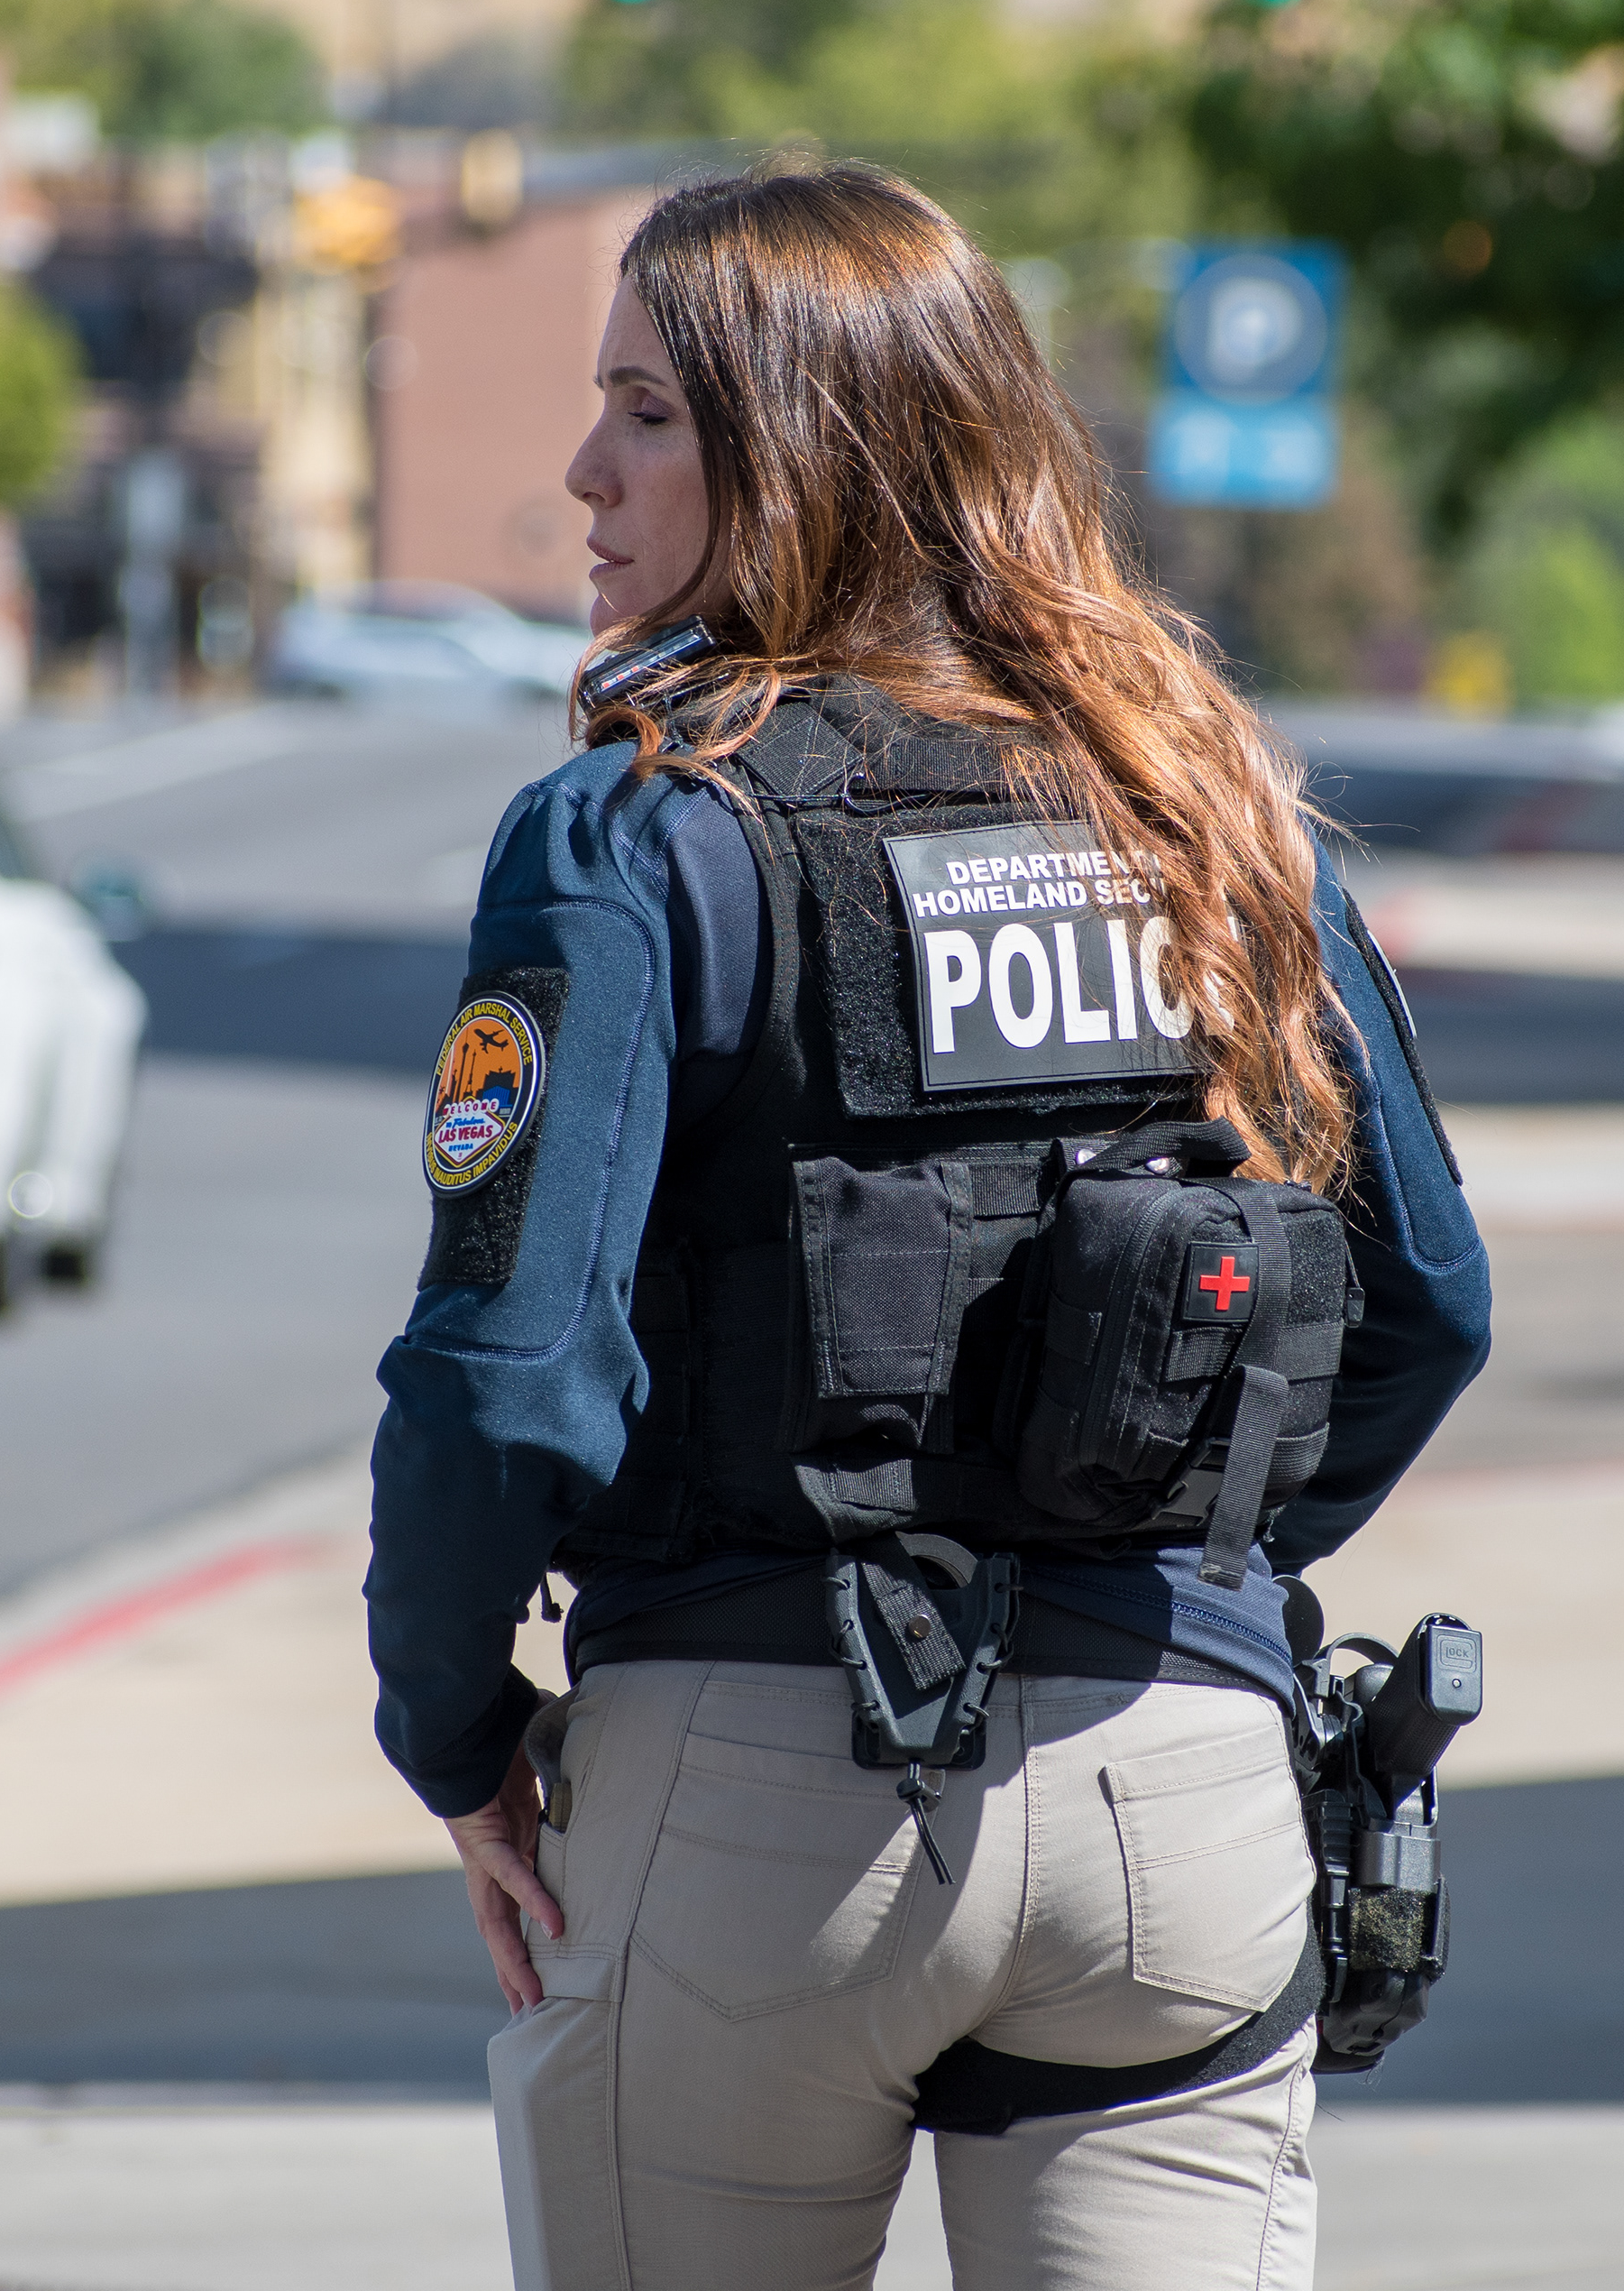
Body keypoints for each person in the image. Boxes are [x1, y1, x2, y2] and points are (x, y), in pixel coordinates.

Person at [365, 164, 1491, 2291]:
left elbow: (507, 1374)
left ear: (809, 449)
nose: (585, 469)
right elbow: (1425, 1305)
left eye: (651, 413)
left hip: (752, 1802)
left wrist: (454, 1728)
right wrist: (1171, 1566)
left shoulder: (642, 826)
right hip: (1181, 1804)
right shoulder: (1210, 801)